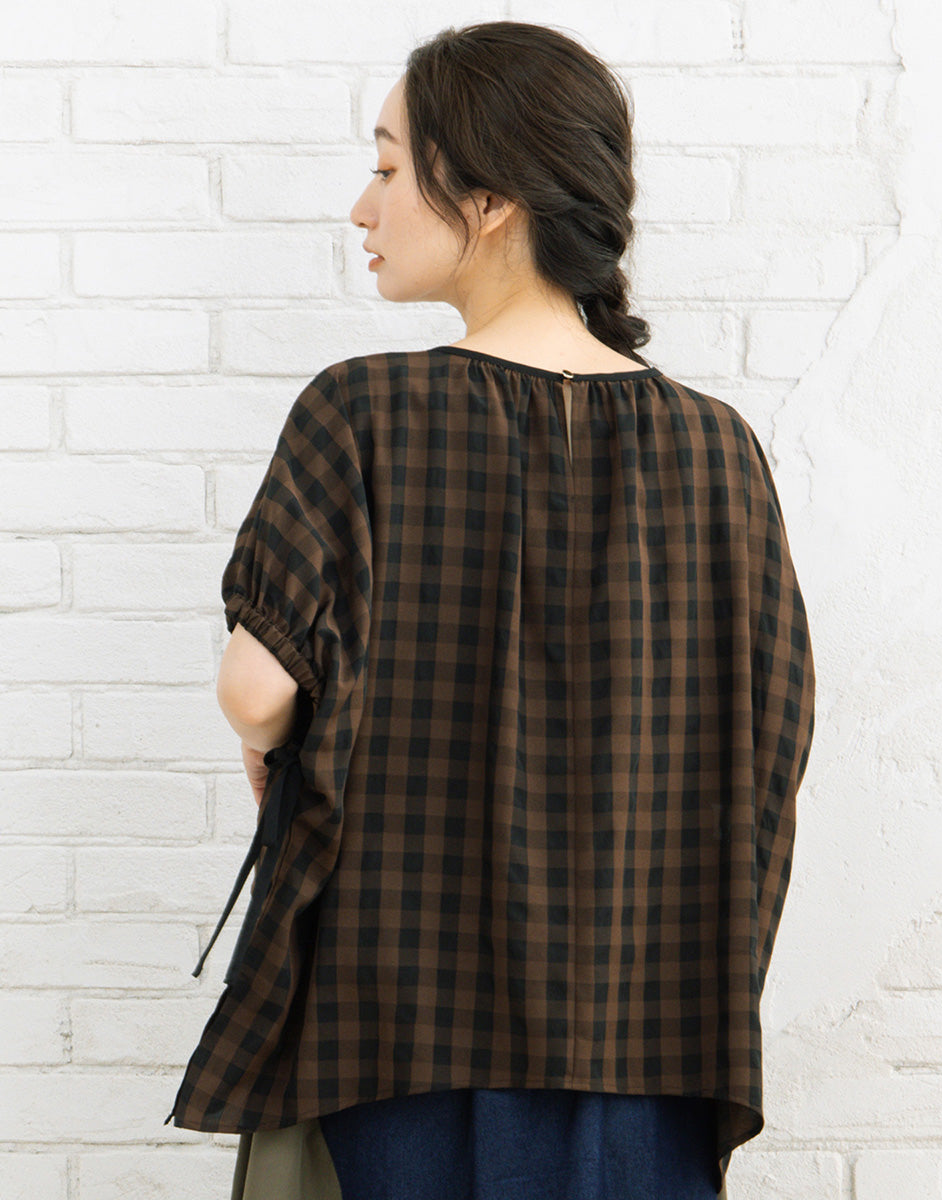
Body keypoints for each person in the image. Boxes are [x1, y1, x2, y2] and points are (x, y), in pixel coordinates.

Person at [167, 20, 816, 1200]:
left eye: (386, 167)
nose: (362, 208)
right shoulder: (718, 449)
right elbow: (770, 747)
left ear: (491, 197)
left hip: (399, 1025)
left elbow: (257, 690)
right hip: (653, 1040)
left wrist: (277, 747)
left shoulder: (364, 413)